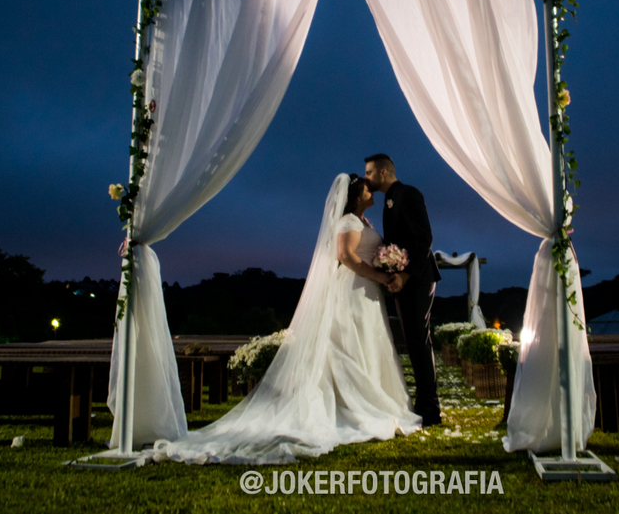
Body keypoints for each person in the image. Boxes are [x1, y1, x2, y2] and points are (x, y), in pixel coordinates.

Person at [152, 173, 420, 464]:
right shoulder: (348, 222)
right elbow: (346, 256)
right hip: (352, 292)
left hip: (366, 292)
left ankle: (366, 400)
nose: (372, 192)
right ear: (356, 196)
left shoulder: (360, 222)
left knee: (365, 345)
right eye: (367, 189)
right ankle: (354, 406)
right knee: (348, 348)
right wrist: (382, 274)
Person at [364, 154, 443, 427]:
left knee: (419, 341)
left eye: (370, 172)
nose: (366, 178)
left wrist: (406, 274)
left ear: (384, 172)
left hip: (418, 278)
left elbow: (425, 238)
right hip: (402, 280)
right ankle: (424, 404)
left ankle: (430, 411)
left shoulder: (408, 194)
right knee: (412, 342)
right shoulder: (388, 203)